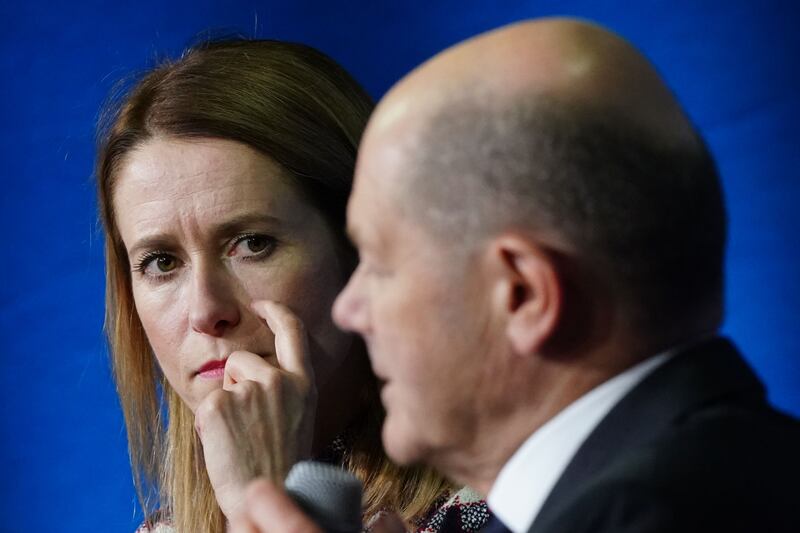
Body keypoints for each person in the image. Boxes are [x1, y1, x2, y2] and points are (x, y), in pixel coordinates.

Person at [232, 17, 800, 533]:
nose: (348, 310)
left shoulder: (649, 517)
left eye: (380, 265)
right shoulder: (748, 466)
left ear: (523, 295)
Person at [95, 39, 489, 533]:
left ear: (363, 248)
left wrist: (260, 504)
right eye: (160, 262)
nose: (205, 310)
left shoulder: (503, 508)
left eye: (253, 243)